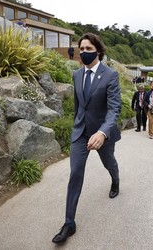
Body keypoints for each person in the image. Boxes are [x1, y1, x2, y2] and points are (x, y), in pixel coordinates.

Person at [52, 33, 121, 244]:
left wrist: (102, 132)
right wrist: (76, 126)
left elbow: (114, 109)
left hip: (102, 133)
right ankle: (69, 223)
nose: (84, 52)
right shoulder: (76, 75)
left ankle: (115, 181)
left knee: (109, 162)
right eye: (81, 49)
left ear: (98, 51)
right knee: (75, 173)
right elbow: (78, 105)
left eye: (88, 49)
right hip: (80, 133)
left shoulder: (110, 75)